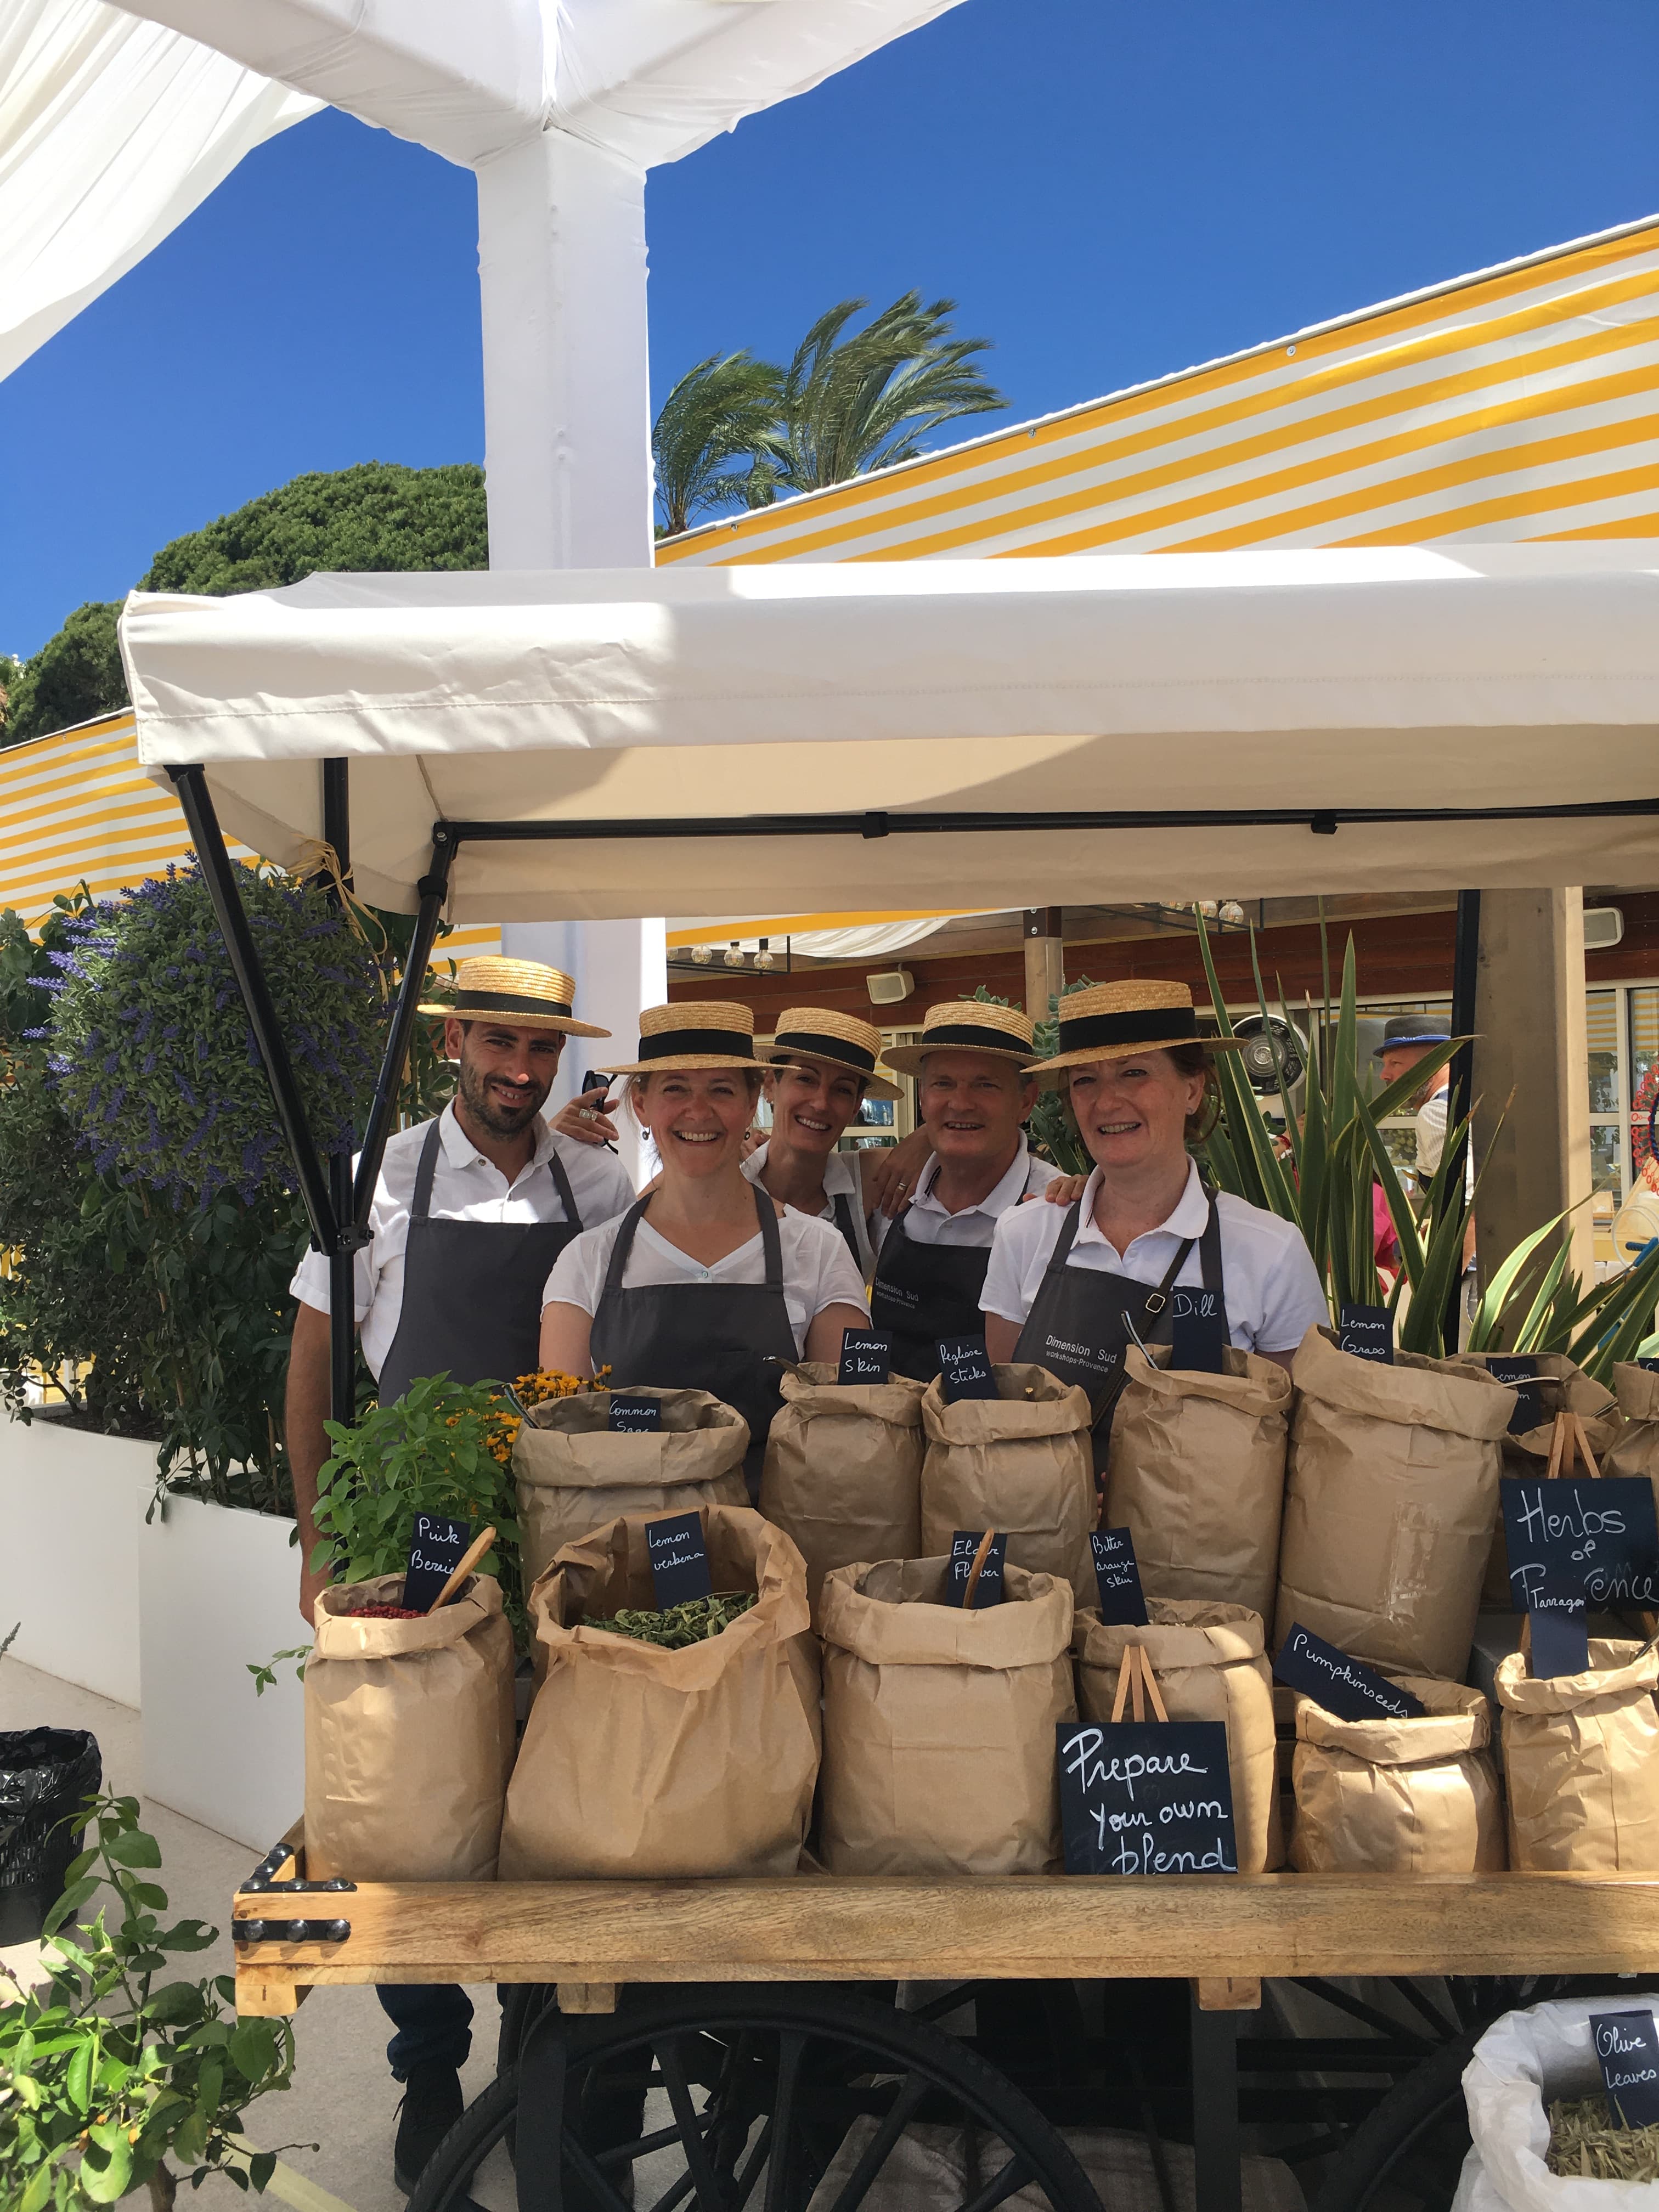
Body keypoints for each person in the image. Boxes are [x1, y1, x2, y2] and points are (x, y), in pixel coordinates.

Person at [284, 955, 634, 2192]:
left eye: (541, 1052)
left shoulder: (598, 1180)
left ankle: (536, 2056)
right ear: (456, 1046)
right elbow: (318, 1360)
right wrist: (323, 1539)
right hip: (406, 1534)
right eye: (500, 1046)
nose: (521, 1073)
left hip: (547, 1530)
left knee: (555, 1794)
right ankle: (428, 2070)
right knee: (409, 1813)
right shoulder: (377, 1180)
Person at [538, 1002, 871, 1484]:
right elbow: (565, 1443)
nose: (699, 1111)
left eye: (722, 1090)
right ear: (641, 1105)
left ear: (754, 1099)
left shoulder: (818, 1249)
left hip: (781, 1542)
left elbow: (846, 1427)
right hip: (627, 1538)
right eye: (676, 1089)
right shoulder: (588, 1260)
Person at [981, 981, 1329, 1434]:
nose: (1107, 1102)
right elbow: (1000, 1409)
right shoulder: (1024, 1232)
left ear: (1192, 1090)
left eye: (1134, 1073)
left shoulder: (1271, 1250)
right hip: (1048, 1503)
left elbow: (1294, 1431)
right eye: (1085, 1080)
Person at [867, 1000, 1059, 1379]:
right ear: (923, 1099)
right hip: (884, 1429)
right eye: (943, 1084)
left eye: (985, 1085)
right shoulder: (887, 1191)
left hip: (994, 1430)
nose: (960, 1103)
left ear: (1025, 1101)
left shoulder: (1056, 1208)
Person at [739, 1006, 903, 1277]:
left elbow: (951, 1146)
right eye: (805, 1079)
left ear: (855, 1107)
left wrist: (920, 1142)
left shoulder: (867, 1178)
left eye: (842, 1090)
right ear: (770, 1085)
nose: (821, 1103)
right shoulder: (727, 1180)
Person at [1374, 1012, 1455, 1196]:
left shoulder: (1437, 1111)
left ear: (1433, 1063)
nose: (1384, 1075)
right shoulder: (1464, 1101)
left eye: (1395, 1063)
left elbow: (1467, 1206)